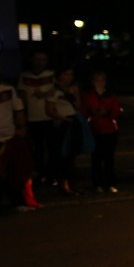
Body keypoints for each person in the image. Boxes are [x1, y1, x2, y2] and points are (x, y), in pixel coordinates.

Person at [0, 76, 40, 211]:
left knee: (17, 171)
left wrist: (22, 127)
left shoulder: (7, 90)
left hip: (9, 136)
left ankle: (18, 202)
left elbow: (18, 109)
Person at [16, 49, 55, 185]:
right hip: (32, 118)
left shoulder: (51, 75)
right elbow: (22, 96)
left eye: (43, 59)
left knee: (51, 147)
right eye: (37, 59)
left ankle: (52, 174)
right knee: (37, 149)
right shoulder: (24, 76)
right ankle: (40, 173)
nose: (40, 62)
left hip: (49, 117)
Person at [81, 71, 122, 193]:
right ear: (92, 81)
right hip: (94, 129)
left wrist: (107, 112)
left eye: (102, 80)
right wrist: (92, 112)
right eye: (97, 80)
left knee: (109, 158)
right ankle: (97, 183)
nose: (100, 83)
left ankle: (110, 183)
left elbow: (117, 110)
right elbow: (83, 110)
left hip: (109, 129)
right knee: (96, 158)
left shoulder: (111, 95)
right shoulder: (88, 95)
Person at [46, 65, 83, 195]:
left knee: (72, 155)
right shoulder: (54, 91)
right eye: (66, 74)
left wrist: (75, 94)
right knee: (62, 155)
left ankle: (72, 184)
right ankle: (63, 184)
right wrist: (63, 118)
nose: (69, 77)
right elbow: (49, 110)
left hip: (73, 122)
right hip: (62, 124)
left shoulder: (72, 89)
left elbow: (78, 107)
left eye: (71, 74)